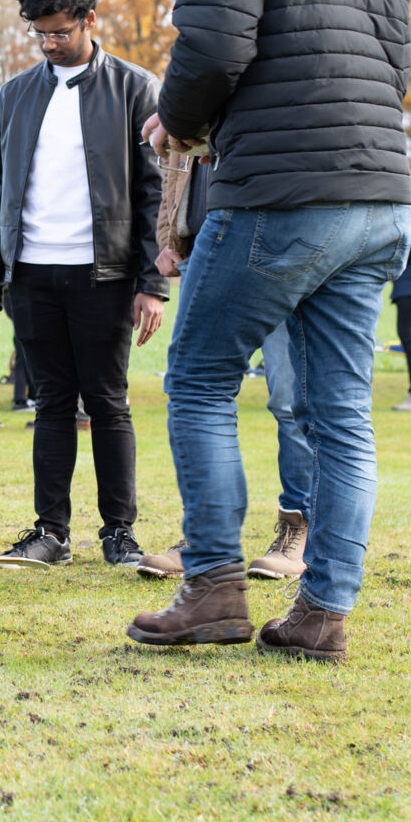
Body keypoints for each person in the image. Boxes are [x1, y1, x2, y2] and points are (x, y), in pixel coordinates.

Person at [129, 0, 411, 662]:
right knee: (342, 414)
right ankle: (322, 614)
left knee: (199, 382)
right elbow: (396, 60)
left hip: (280, 193)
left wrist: (178, 117)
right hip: (378, 194)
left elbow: (214, 46)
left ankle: (214, 588)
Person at [0, 0, 167, 566]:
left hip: (104, 276)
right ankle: (50, 533)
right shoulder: (15, 94)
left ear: (88, 20)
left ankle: (118, 533)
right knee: (51, 404)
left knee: (107, 402)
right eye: (38, 33)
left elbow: (156, 192)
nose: (48, 43)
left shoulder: (136, 88)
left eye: (58, 32)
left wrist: (152, 282)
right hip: (32, 275)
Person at [136, 154, 311, 581]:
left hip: (277, 241)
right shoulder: (189, 99)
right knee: (196, 394)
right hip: (205, 247)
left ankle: (299, 533)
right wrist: (170, 237)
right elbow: (179, 166)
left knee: (290, 399)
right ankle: (205, 537)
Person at [391, 163, 411, 411]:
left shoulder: (409, 199)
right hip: (408, 279)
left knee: (410, 337)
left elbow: (409, 237)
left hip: (410, 281)